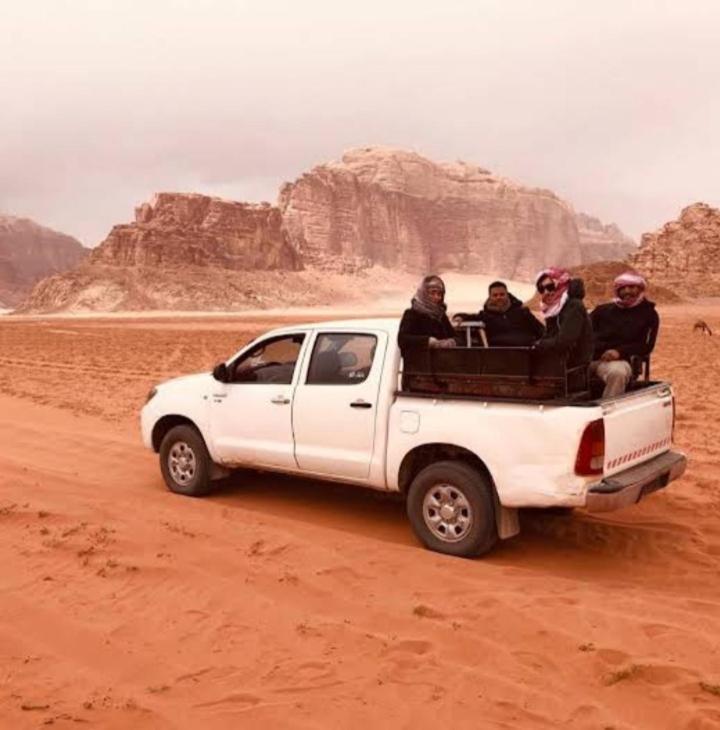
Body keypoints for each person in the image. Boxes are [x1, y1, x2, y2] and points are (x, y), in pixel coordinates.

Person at [589, 272, 659, 398]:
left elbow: (647, 346)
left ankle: (607, 410)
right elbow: (583, 332)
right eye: (623, 288)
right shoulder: (602, 311)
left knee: (617, 373)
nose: (627, 291)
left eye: (631, 287)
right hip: (590, 358)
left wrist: (619, 352)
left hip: (620, 361)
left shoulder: (649, 314)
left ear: (640, 289)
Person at [534, 267, 593, 375]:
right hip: (559, 362)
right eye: (541, 289)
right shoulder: (553, 309)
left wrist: (540, 344)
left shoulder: (573, 306)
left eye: (550, 287)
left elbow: (565, 341)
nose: (546, 292)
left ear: (560, 284)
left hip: (574, 366)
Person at [456, 280, 544, 346]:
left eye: (502, 294)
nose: (499, 297)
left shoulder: (522, 312)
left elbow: (541, 331)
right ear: (490, 297)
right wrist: (460, 317)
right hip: (499, 356)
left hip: (527, 354)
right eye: (495, 295)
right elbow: (469, 317)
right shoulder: (485, 315)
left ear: (507, 294)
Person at [398, 275, 457, 358]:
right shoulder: (412, 314)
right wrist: (427, 341)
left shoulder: (440, 315)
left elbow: (455, 336)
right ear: (424, 293)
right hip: (418, 367)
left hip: (442, 366)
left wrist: (450, 342)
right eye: (432, 293)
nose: (436, 297)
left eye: (439, 294)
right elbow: (403, 340)